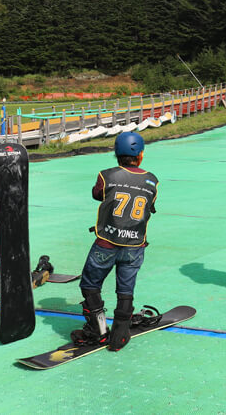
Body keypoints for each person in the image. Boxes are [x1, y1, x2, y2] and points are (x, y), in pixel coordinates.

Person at [71, 131, 158, 351]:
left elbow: (97, 194)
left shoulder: (106, 175)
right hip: (135, 245)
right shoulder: (152, 181)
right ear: (140, 155)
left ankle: (98, 331)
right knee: (125, 288)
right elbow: (151, 204)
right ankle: (120, 332)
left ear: (116, 154)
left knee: (90, 285)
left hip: (107, 242)